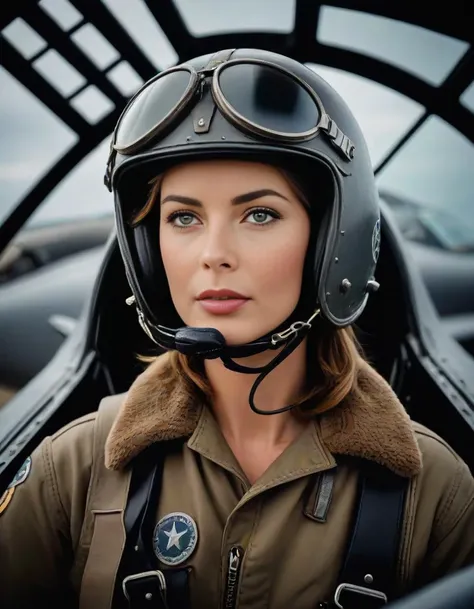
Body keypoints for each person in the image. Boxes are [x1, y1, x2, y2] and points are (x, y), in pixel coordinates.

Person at [1, 48, 473, 609]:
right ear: (150, 253)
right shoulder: (73, 471)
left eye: (259, 214)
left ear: (331, 243)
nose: (214, 254)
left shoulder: (436, 495)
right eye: (183, 218)